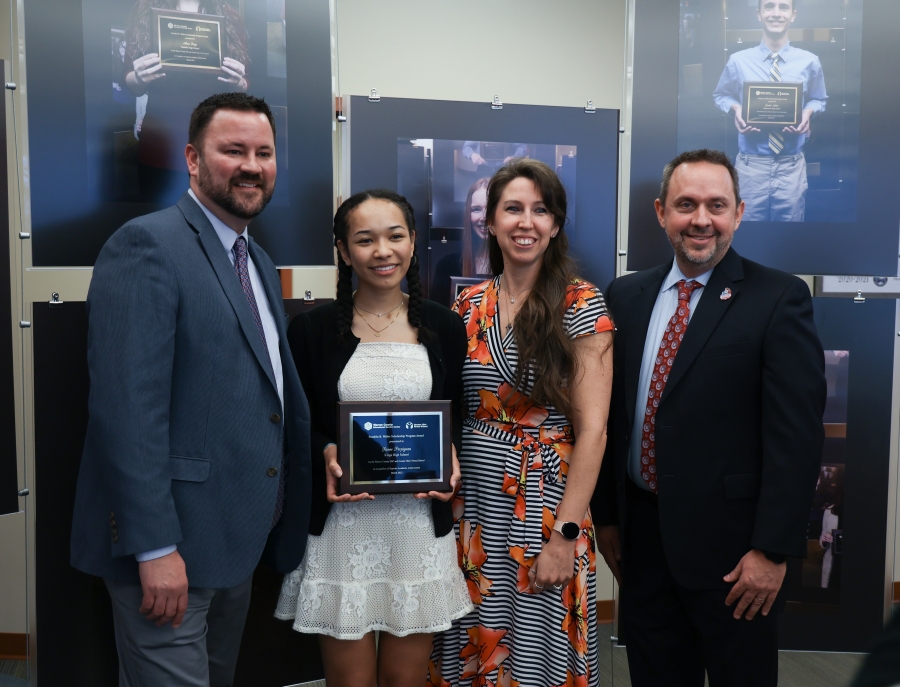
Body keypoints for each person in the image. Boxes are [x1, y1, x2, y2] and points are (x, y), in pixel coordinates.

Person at [70, 92, 311, 687]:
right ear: (193, 160)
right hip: (168, 550)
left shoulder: (256, 260)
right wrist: (154, 549)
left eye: (264, 152)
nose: (251, 165)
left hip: (233, 543)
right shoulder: (147, 244)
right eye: (233, 150)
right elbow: (126, 413)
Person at [592, 148, 826, 686]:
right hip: (642, 544)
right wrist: (607, 518)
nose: (701, 219)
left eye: (716, 205)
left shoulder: (778, 298)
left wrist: (771, 549)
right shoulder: (626, 296)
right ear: (660, 213)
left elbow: (796, 438)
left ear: (739, 213)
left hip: (736, 555)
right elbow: (611, 417)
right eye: (686, 204)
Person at [275, 190, 473, 687]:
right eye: (365, 240)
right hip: (343, 528)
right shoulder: (312, 330)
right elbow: (297, 424)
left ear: (411, 243)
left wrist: (452, 460)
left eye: (395, 236)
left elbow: (455, 418)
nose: (382, 251)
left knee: (406, 681)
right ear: (344, 250)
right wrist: (326, 450)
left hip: (416, 527)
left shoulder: (445, 327)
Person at [432, 159, 614, 687]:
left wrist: (565, 535)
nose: (525, 222)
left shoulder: (580, 302)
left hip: (545, 511)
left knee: (538, 652)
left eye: (540, 210)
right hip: (476, 514)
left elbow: (594, 432)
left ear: (556, 224)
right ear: (488, 222)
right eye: (512, 208)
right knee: (474, 639)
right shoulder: (467, 303)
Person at [123, 0, 250, 204]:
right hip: (162, 142)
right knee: (160, 226)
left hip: (214, 142)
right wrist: (137, 77)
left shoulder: (229, 16)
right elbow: (131, 81)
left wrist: (239, 82)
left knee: (213, 225)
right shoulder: (145, 9)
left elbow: (246, 83)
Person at [712, 0, 827, 222]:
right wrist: (736, 109)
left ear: (793, 15)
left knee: (789, 240)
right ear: (759, 14)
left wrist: (808, 113)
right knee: (747, 239)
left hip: (791, 166)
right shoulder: (738, 61)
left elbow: (819, 99)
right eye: (769, 6)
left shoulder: (810, 61)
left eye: (783, 7)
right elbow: (721, 95)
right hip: (750, 166)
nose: (776, 13)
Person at [431, 177, 491, 306]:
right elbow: (435, 321)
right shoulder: (447, 266)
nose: (484, 217)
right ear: (468, 214)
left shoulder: (518, 266)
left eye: (491, 208)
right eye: (476, 209)